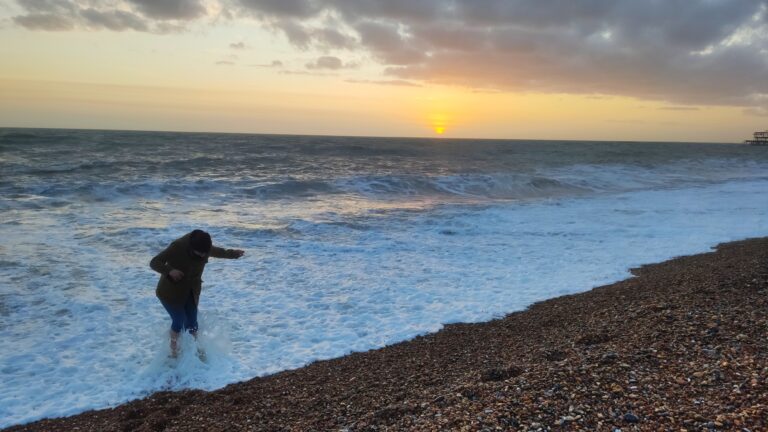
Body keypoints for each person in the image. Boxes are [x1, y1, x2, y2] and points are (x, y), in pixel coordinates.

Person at [150, 229, 244, 356]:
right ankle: (174, 352)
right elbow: (154, 262)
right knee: (179, 320)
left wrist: (233, 254)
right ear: (191, 247)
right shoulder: (178, 246)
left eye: (204, 254)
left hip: (191, 291)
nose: (202, 256)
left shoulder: (204, 246)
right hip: (169, 293)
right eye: (199, 254)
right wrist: (169, 270)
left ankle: (193, 351)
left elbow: (218, 252)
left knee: (193, 324)